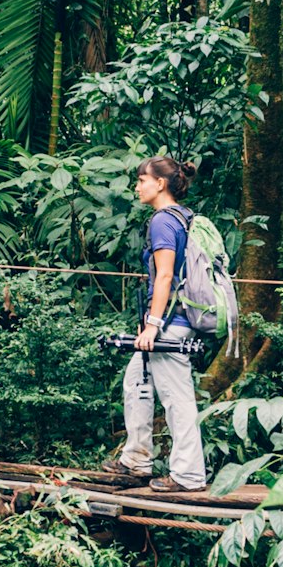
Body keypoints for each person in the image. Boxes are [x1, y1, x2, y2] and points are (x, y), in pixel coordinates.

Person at [111, 155, 209, 491]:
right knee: (136, 381)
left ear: (160, 184)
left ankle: (189, 476)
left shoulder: (163, 222)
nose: (137, 186)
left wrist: (153, 325)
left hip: (171, 321)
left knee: (176, 397)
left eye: (141, 180)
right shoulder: (183, 218)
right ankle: (137, 460)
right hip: (170, 319)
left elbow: (165, 275)